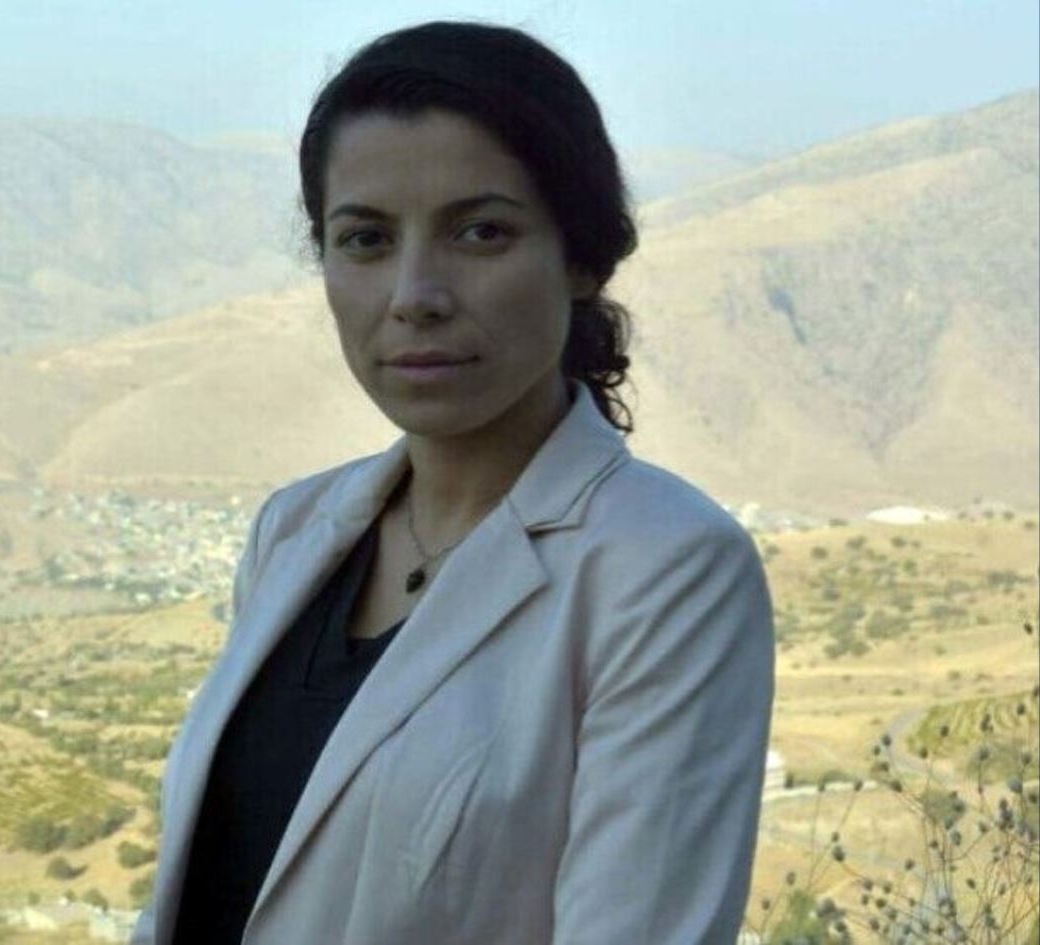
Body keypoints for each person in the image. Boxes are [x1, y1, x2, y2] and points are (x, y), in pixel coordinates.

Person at [131, 20, 774, 945]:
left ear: (583, 256)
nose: (414, 294)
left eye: (481, 232)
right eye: (365, 238)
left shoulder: (664, 570)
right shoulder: (295, 529)